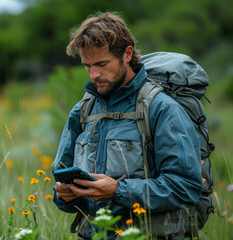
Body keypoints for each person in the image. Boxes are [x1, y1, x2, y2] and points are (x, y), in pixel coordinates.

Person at [52, 12, 202, 239]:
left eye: (102, 64)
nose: (94, 74)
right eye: (87, 65)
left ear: (127, 54)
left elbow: (186, 187)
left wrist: (117, 191)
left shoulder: (161, 108)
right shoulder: (82, 111)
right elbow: (61, 182)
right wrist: (64, 196)